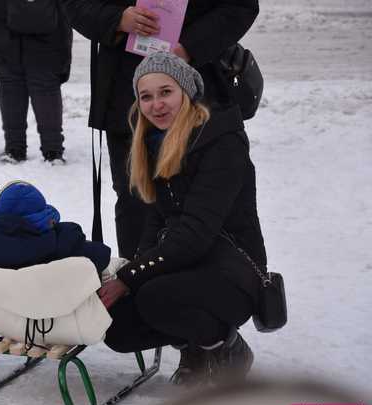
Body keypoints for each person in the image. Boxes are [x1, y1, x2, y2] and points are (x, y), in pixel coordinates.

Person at [97, 52, 267, 386]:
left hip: (234, 271)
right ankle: (191, 342)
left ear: (187, 92)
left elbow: (195, 233)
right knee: (117, 327)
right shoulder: (156, 141)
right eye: (146, 96)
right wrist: (132, 270)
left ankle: (223, 346)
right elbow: (156, 221)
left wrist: (131, 277)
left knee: (154, 295)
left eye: (166, 92)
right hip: (188, 267)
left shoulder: (222, 141)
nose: (156, 105)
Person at [60, 0, 259, 259]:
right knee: (137, 200)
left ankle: (222, 286)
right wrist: (117, 19)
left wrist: (188, 48)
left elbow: (241, 7)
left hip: (199, 92)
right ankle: (136, 283)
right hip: (125, 97)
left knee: (207, 200)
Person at [0, 0, 73, 163]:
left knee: (11, 90)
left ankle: (15, 148)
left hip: (4, 35)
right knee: (45, 92)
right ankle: (53, 150)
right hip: (47, 38)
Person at [0, 180, 111, 271]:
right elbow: (103, 256)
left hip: (7, 314)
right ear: (44, 214)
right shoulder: (64, 240)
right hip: (58, 311)